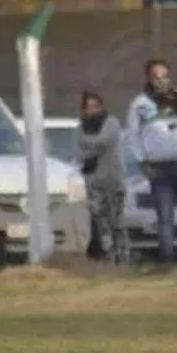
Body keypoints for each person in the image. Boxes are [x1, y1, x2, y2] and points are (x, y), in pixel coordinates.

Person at [126, 58, 177, 270]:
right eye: (156, 77)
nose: (160, 81)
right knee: (165, 216)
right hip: (159, 168)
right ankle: (167, 258)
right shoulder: (140, 104)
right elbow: (133, 136)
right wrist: (142, 161)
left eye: (164, 76)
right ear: (148, 79)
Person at [75, 91, 128, 264]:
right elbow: (80, 151)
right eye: (88, 107)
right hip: (93, 181)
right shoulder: (81, 127)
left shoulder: (111, 122)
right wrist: (90, 146)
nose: (93, 110)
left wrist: (88, 144)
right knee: (100, 221)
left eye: (96, 106)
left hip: (113, 180)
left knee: (117, 221)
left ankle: (122, 255)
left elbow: (104, 141)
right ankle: (107, 256)